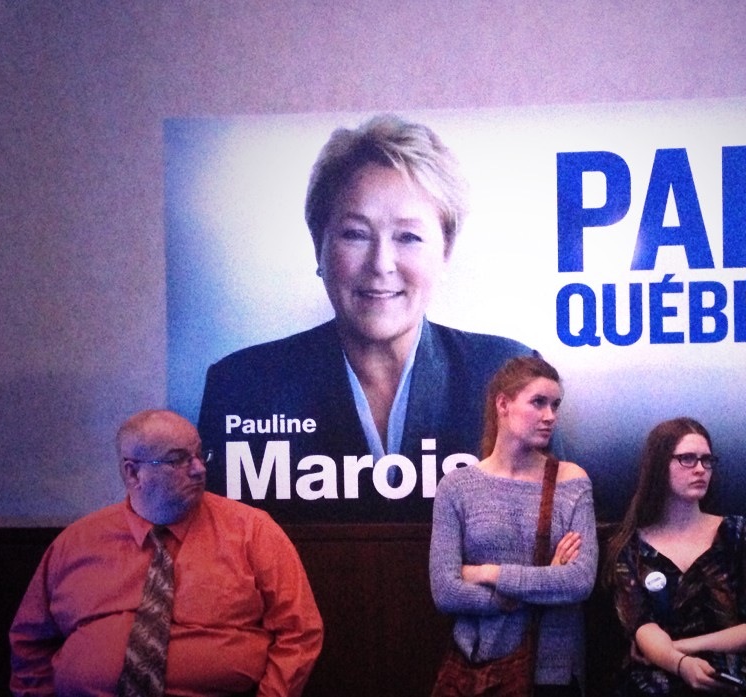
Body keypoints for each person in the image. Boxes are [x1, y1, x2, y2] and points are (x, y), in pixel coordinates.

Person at [198, 114, 533, 523]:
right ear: (317, 246)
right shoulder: (243, 387)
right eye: (355, 234)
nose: (381, 264)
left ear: (445, 254)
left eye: (408, 237)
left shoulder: (507, 376)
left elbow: (554, 542)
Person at [9, 409, 324, 697]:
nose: (199, 469)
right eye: (178, 460)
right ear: (133, 473)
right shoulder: (76, 543)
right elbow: (29, 644)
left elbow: (299, 632)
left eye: (200, 455)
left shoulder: (251, 530)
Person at [429, 356, 597, 696]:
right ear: (503, 404)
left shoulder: (570, 480)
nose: (550, 416)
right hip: (479, 667)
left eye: (555, 405)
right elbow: (446, 591)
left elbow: (579, 581)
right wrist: (542, 583)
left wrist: (488, 573)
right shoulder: (458, 486)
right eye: (538, 402)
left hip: (552, 672)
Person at [603, 418, 746, 696]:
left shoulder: (736, 533)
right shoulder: (631, 546)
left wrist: (682, 647)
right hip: (653, 685)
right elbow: (642, 628)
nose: (700, 469)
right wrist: (680, 663)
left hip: (722, 684)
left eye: (706, 460)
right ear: (659, 466)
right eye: (687, 459)